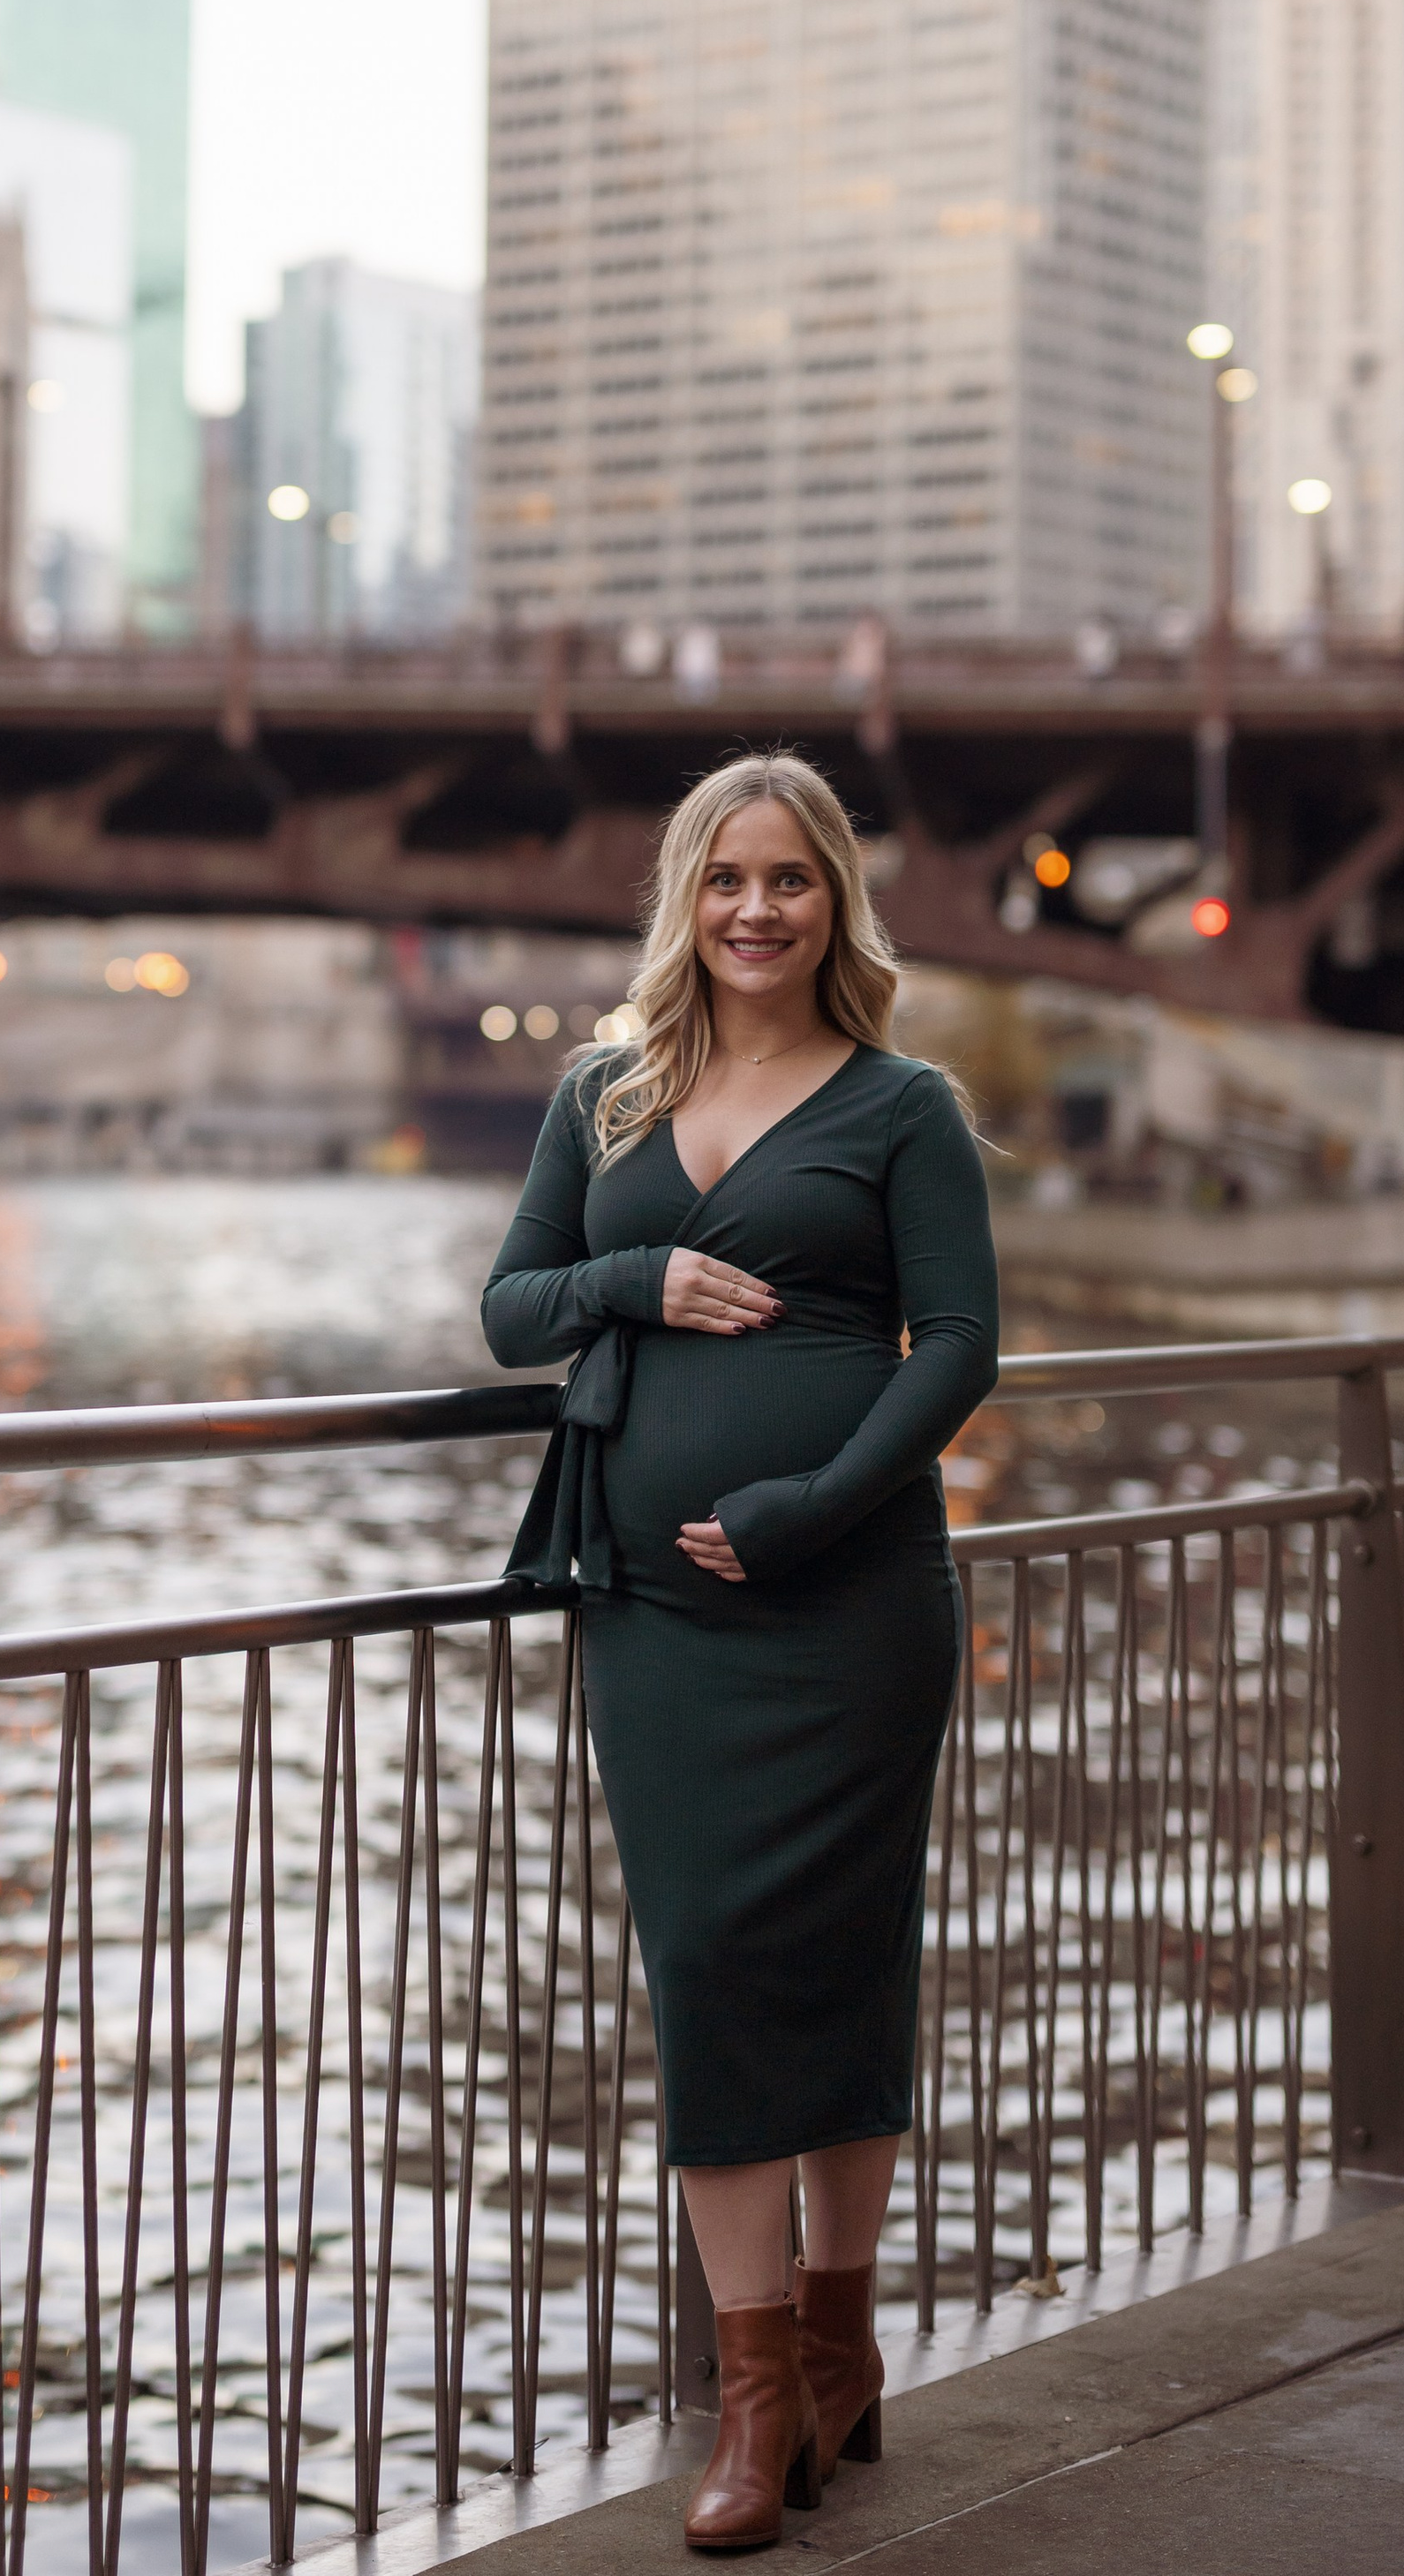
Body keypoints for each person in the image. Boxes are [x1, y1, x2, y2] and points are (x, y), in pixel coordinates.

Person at [481, 752, 998, 2552]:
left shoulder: (899, 1104)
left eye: (789, 882)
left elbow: (955, 1351)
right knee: (704, 1964)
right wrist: (633, 1283)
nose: (755, 912)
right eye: (724, 882)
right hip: (655, 1617)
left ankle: (838, 2354)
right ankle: (754, 2392)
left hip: (846, 1602)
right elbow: (506, 1310)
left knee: (843, 1965)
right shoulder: (602, 1092)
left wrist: (809, 1506)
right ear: (680, 900)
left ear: (831, 903)